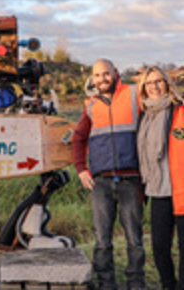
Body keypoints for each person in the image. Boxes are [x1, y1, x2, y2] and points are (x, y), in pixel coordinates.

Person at [72, 58, 145, 290]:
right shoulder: (91, 105)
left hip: (131, 179)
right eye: (97, 75)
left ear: (115, 72)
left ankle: (136, 283)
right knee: (102, 241)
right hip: (101, 183)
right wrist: (81, 169)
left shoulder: (134, 95)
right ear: (92, 78)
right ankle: (106, 284)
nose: (102, 79)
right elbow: (78, 138)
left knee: (134, 239)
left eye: (106, 74)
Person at [137, 65, 184, 290]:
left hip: (181, 191)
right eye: (149, 83)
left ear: (167, 83)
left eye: (158, 81)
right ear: (144, 88)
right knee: (159, 248)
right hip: (158, 191)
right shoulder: (144, 116)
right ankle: (168, 285)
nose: (154, 86)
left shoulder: (179, 110)